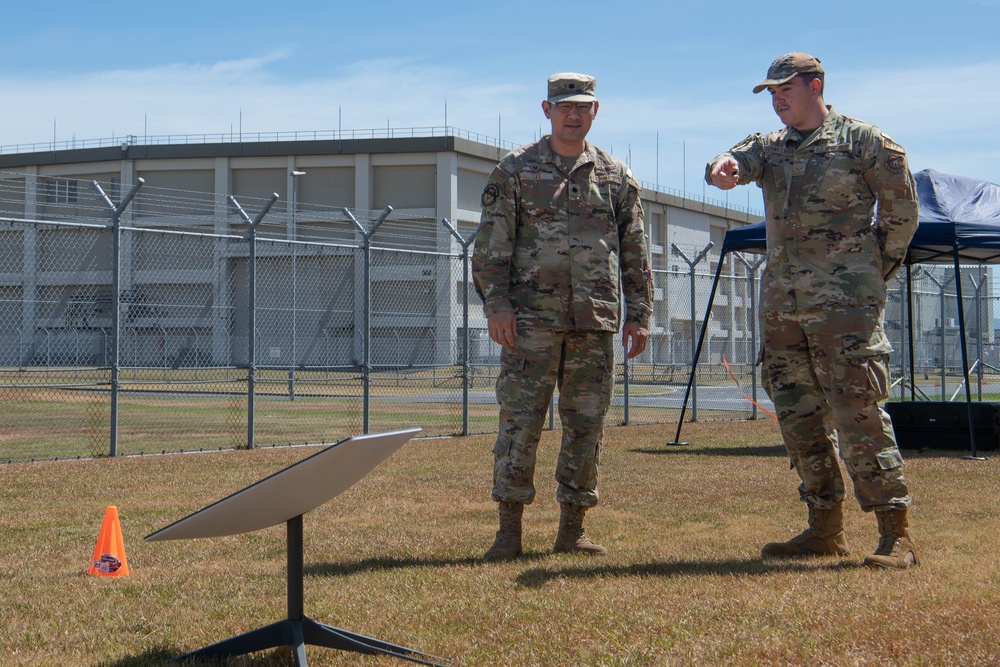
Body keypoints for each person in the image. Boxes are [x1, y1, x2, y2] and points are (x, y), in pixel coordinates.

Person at [706, 53, 920, 569]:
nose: (778, 99)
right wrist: (722, 169)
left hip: (846, 307)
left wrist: (866, 276)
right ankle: (824, 528)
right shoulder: (769, 148)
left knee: (857, 411)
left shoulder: (863, 142)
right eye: (771, 92)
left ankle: (896, 533)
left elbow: (902, 216)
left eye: (786, 89)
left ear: (815, 85)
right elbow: (731, 164)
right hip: (784, 309)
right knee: (798, 416)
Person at [472, 72, 653, 561]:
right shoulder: (515, 171)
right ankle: (509, 530)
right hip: (530, 323)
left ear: (596, 111)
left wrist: (638, 314)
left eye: (583, 106)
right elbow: (491, 247)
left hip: (594, 323)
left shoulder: (616, 177)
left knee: (585, 426)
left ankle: (573, 529)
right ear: (547, 109)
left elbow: (635, 252)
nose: (574, 114)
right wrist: (498, 306)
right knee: (519, 423)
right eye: (564, 106)